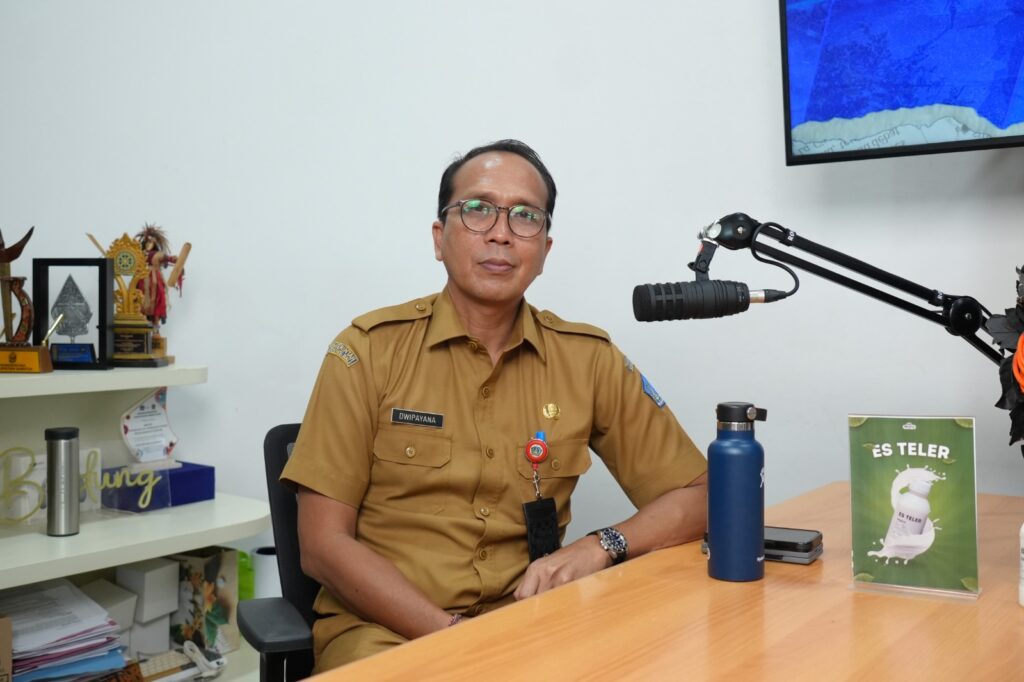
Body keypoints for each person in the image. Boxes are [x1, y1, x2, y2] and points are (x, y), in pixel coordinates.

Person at [281, 139, 708, 672]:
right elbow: (322, 545)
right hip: (386, 634)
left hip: (534, 630)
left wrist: (602, 545)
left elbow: (702, 496)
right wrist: (459, 639)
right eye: (478, 209)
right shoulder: (367, 352)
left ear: (545, 250)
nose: (501, 233)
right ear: (439, 238)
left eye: (525, 217)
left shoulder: (587, 359)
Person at [134, 223, 180, 331]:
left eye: (151, 242)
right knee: (140, 301)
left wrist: (174, 259)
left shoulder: (158, 254)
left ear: (154, 243)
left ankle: (156, 330)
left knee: (157, 303)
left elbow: (168, 258)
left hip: (155, 281)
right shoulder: (139, 253)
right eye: (147, 242)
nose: (148, 244)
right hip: (141, 280)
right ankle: (142, 326)